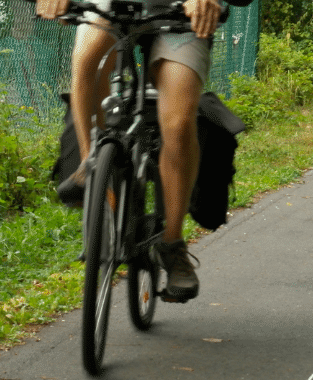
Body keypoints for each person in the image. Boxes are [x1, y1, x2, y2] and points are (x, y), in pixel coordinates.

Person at [36, 0, 231, 302]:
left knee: (179, 124)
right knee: (88, 59)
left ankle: (172, 244)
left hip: (180, 10)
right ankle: (91, 167)